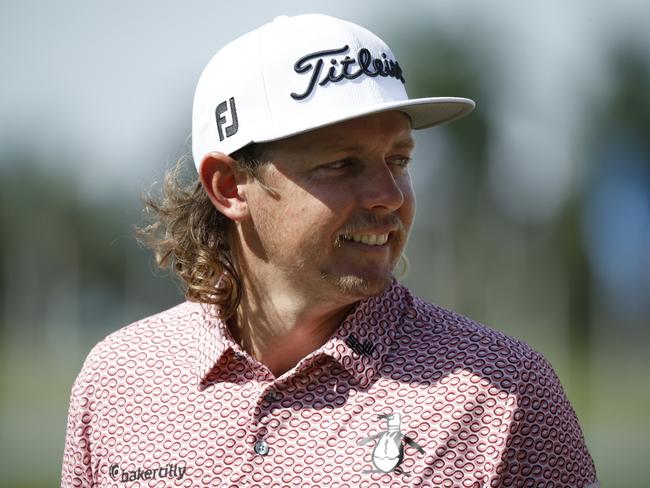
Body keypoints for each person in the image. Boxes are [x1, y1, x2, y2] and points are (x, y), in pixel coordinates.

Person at [62, 13, 598, 488]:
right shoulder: (117, 381)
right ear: (229, 187)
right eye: (342, 164)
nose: (390, 195)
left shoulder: (505, 394)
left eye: (399, 160)